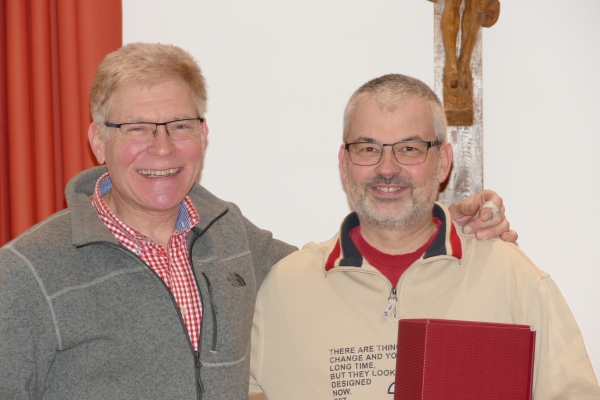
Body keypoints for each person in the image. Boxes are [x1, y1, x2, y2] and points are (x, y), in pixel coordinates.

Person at [0, 44, 513, 399]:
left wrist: (442, 227)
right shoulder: (27, 273)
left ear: (204, 135)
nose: (162, 147)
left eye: (180, 125)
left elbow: (342, 268)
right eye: (137, 128)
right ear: (98, 140)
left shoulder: (234, 241)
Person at [249, 74, 600, 399]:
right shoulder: (283, 290)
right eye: (368, 149)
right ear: (344, 163)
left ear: (443, 162)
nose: (387, 168)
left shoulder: (510, 276)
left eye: (410, 148)